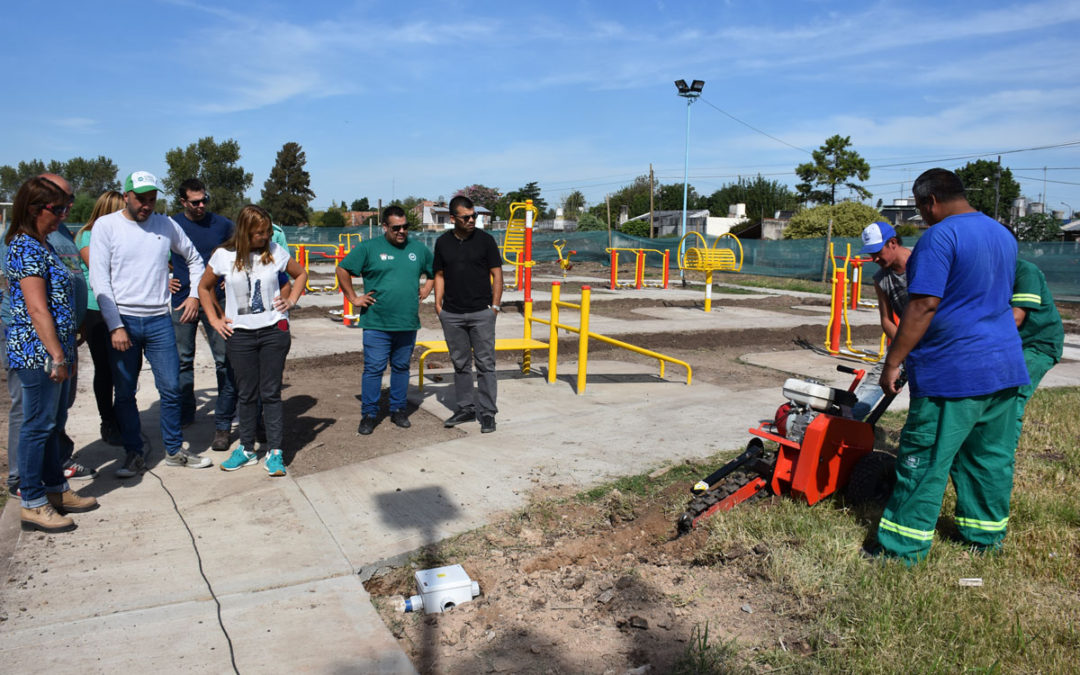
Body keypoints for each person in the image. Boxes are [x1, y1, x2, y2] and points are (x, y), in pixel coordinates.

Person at [876, 168, 1029, 564]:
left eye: (919, 209)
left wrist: (893, 362)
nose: (921, 218)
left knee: (924, 459)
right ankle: (984, 537)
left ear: (930, 201)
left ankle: (901, 549)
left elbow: (923, 304)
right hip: (1005, 367)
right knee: (989, 457)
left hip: (954, 372)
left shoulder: (939, 238)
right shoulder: (1001, 235)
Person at [88, 171, 212, 476]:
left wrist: (195, 295)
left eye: (152, 199)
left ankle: (173, 450)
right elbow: (99, 278)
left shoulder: (165, 224)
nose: (146, 205)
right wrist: (114, 325)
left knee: (171, 388)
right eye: (141, 199)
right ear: (126, 195)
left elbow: (195, 259)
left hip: (159, 320)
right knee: (126, 392)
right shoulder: (107, 226)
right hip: (124, 321)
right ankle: (134, 453)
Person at [4, 176, 98, 532]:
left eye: (64, 208)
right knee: (37, 426)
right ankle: (32, 501)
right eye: (56, 209)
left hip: (56, 349)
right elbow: (37, 309)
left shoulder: (43, 244)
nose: (63, 214)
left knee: (52, 424)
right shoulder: (24, 246)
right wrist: (57, 355)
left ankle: (55, 489)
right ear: (33, 209)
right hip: (37, 353)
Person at [198, 205, 306, 476]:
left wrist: (291, 300)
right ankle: (246, 449)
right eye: (259, 233)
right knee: (245, 394)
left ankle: (275, 452)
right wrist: (214, 319)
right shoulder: (224, 256)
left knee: (270, 393)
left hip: (273, 332)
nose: (264, 237)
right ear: (245, 231)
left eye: (267, 231)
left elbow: (301, 274)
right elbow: (204, 287)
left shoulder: (275, 251)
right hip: (240, 335)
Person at [336, 205, 434, 434]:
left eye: (405, 227)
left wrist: (428, 288)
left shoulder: (418, 250)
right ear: (385, 227)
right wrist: (353, 298)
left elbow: (435, 270)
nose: (402, 231)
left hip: (406, 322)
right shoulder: (369, 248)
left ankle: (398, 410)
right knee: (374, 368)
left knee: (400, 367)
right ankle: (369, 413)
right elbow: (342, 270)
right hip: (376, 323)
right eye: (396, 227)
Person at [170, 178, 237, 451]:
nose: (201, 206)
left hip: (216, 300)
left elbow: (237, 250)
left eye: (204, 200)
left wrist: (227, 275)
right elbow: (150, 255)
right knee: (183, 359)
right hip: (182, 300)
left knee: (223, 358)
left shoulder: (222, 224)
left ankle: (225, 410)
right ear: (183, 202)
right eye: (194, 202)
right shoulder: (171, 224)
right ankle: (186, 412)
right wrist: (165, 276)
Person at [433, 195, 503, 433]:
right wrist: (438, 305)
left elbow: (497, 274)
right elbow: (439, 275)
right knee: (460, 364)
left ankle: (487, 412)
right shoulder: (442, 243)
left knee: (486, 364)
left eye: (474, 216)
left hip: (481, 313)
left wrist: (494, 307)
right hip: (452, 314)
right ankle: (465, 408)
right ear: (453, 218)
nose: (472, 220)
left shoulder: (485, 241)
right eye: (466, 217)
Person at [76, 190, 125, 447]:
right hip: (97, 308)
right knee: (104, 368)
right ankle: (108, 420)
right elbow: (100, 268)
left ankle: (122, 416)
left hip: (123, 306)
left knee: (125, 368)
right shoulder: (88, 234)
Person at [849, 221, 912, 420]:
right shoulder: (881, 279)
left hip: (938, 343)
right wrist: (906, 347)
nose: (874, 258)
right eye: (870, 253)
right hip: (906, 342)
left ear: (892, 243)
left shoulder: (921, 263)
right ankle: (843, 425)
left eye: (877, 251)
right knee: (878, 379)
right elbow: (886, 320)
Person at [1011, 258, 1064, 439]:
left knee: (1011, 396)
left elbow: (1015, 318)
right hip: (1014, 344)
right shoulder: (988, 272)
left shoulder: (1025, 271)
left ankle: (1004, 452)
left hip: (1038, 343)